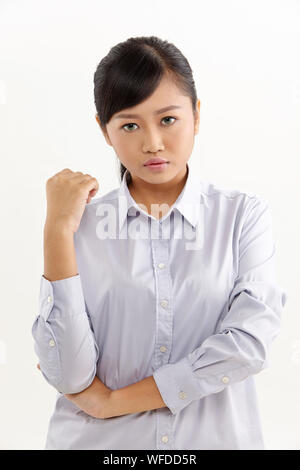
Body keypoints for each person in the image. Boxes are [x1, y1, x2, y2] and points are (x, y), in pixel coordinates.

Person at [31, 35, 287, 450]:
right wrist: (56, 231)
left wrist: (113, 401)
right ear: (104, 129)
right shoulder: (80, 225)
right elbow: (68, 375)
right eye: (130, 125)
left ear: (196, 115)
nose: (152, 142)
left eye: (168, 119)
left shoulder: (242, 217)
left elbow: (247, 346)